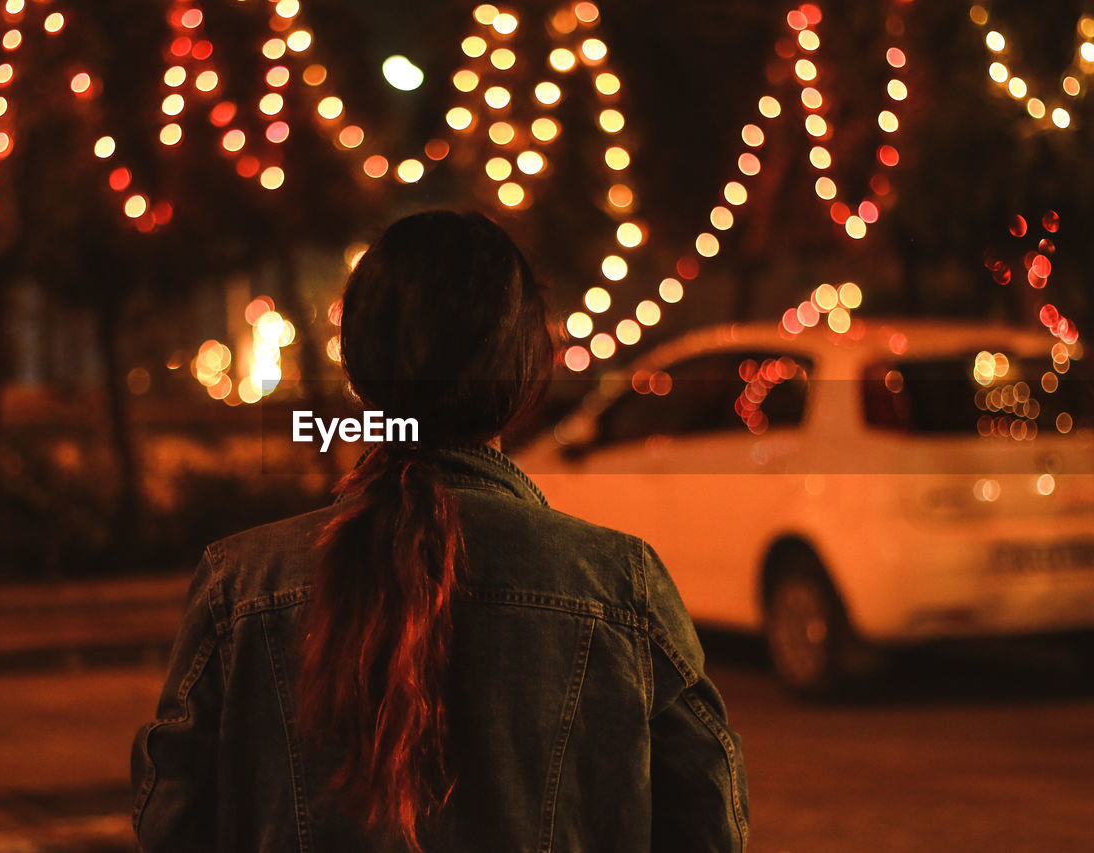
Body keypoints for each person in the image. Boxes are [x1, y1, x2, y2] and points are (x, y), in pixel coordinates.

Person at [131, 210, 749, 852]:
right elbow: (709, 824)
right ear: (524, 375)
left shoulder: (241, 584)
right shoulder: (620, 584)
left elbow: (172, 821)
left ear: (358, 367)